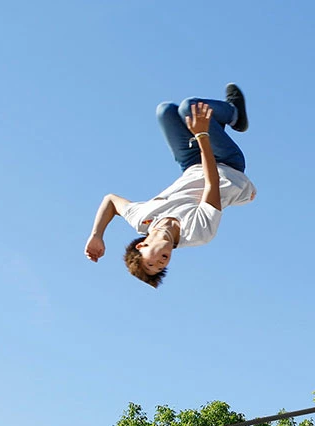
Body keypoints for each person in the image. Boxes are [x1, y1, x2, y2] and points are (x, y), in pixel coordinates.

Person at [84, 90, 255, 287]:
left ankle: (215, 123)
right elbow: (212, 182)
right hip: (227, 167)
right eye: (159, 268)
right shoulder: (196, 233)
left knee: (165, 111)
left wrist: (97, 235)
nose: (160, 263)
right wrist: (201, 134)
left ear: (141, 245)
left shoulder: (142, 219)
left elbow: (111, 201)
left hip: (192, 164)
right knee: (189, 107)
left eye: (150, 263)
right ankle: (234, 114)